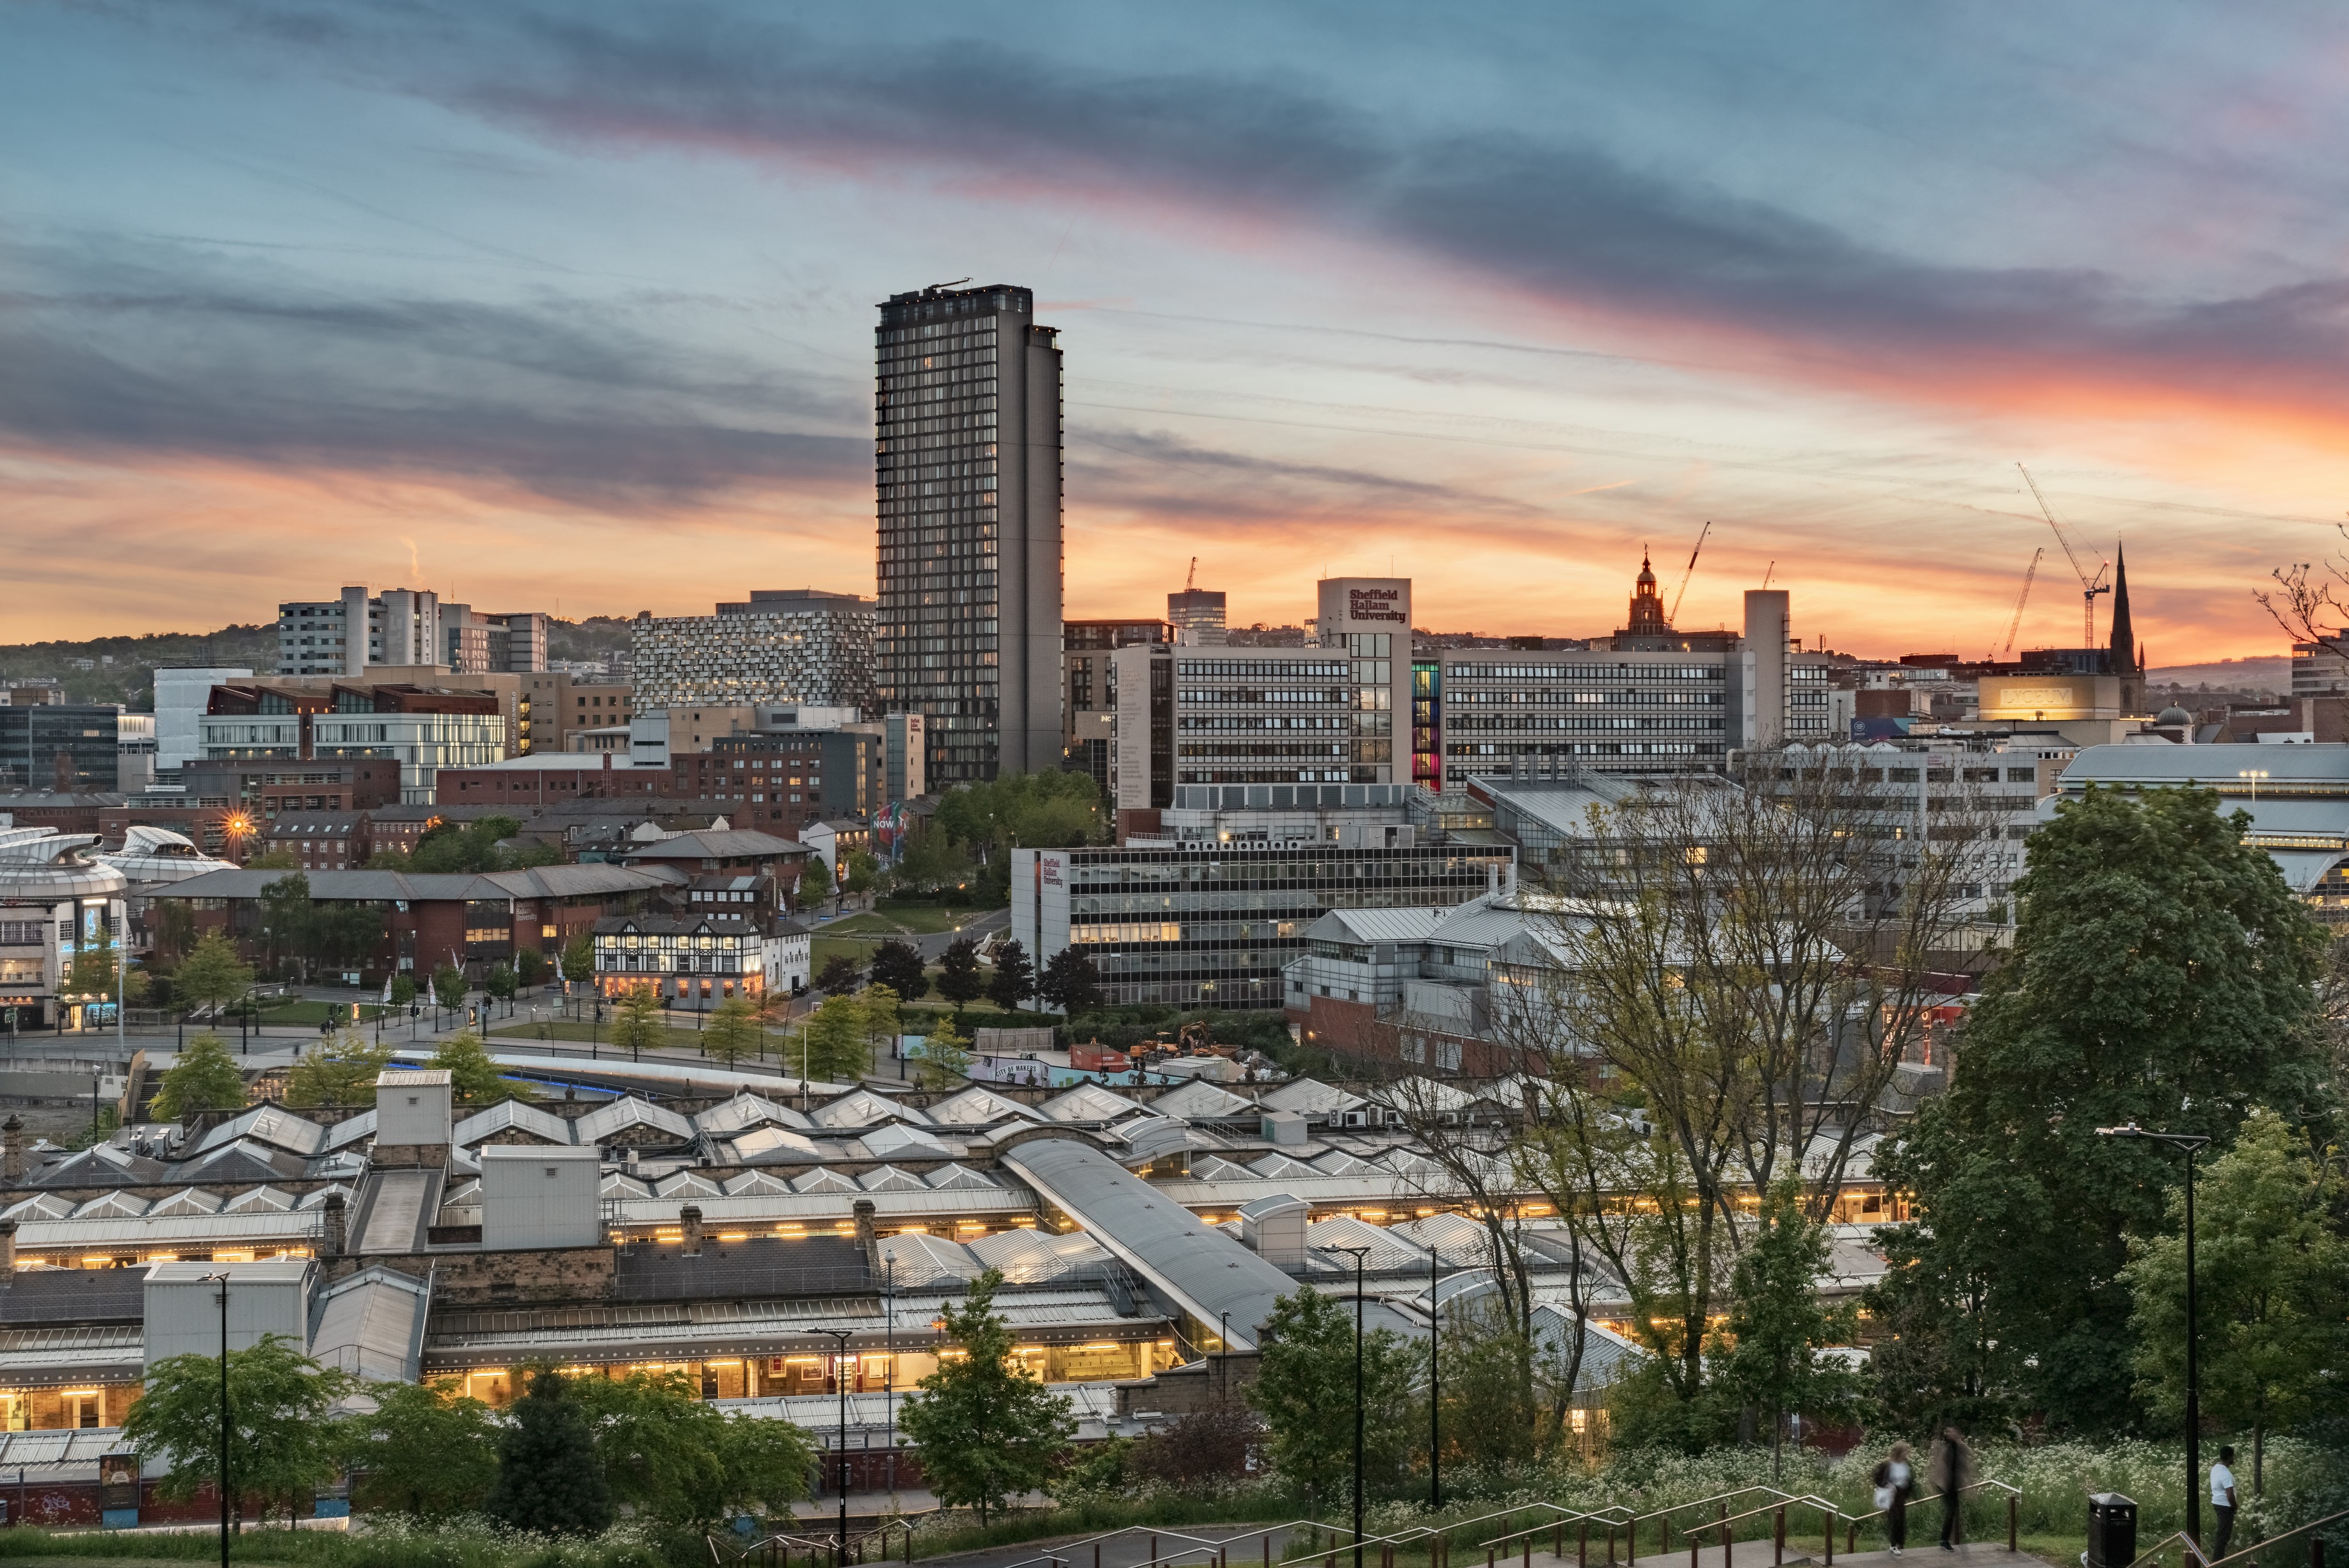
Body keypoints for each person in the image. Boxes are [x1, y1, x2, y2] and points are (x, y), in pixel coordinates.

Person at [1928, 1427, 1975, 1551]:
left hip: (1954, 1484)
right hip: (1945, 1485)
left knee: (1954, 1510)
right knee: (1951, 1510)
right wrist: (1935, 1483)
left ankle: (1952, 1536)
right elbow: (1938, 1466)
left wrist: (1968, 1484)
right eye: (1948, 1432)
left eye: (1952, 1432)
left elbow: (1967, 1464)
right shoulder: (1945, 1447)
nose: (1949, 1434)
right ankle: (1944, 1540)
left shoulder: (1960, 1447)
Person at [1873, 1441, 1916, 1556]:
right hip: (1892, 1495)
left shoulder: (1906, 1464)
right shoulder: (1888, 1464)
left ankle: (1899, 1544)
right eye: (1905, 1451)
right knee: (1895, 1519)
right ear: (1899, 1452)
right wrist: (1889, 1485)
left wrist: (1912, 1493)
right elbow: (1878, 1479)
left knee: (1901, 1520)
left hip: (1901, 1495)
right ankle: (1893, 1545)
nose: (1907, 1454)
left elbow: (1909, 1480)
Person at [2211, 1447, 2238, 1560]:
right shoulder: (2226, 1474)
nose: (2234, 1458)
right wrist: (2235, 1506)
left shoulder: (2216, 1468)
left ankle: (2218, 1560)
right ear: (2229, 1457)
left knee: (2222, 1533)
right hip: (2225, 1506)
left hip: (2217, 1503)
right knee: (2224, 1536)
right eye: (2233, 1456)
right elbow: (2230, 1495)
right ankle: (2217, 1562)